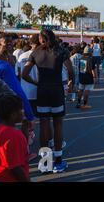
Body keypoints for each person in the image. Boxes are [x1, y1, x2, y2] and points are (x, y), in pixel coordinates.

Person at [22, 29, 73, 173]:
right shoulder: (61, 51)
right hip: (56, 90)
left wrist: (36, 83)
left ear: (41, 39)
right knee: (58, 124)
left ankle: (45, 162)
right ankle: (58, 161)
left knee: (44, 124)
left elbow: (24, 74)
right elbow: (70, 70)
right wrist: (71, 83)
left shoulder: (36, 53)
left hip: (42, 90)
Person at [0, 96, 30, 182]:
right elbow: (15, 167)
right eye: (21, 109)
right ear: (13, 115)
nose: (24, 112)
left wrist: (25, 134)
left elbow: (17, 152)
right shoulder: (15, 135)